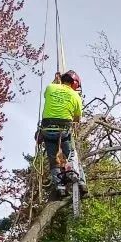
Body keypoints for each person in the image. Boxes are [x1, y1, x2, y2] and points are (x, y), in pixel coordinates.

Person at [37, 70, 87, 198]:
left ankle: (60, 186)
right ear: (75, 84)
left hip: (47, 130)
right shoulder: (76, 96)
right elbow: (77, 119)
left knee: (53, 159)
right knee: (71, 153)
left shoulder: (50, 87)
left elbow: (48, 94)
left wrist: (56, 82)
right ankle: (80, 181)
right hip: (63, 132)